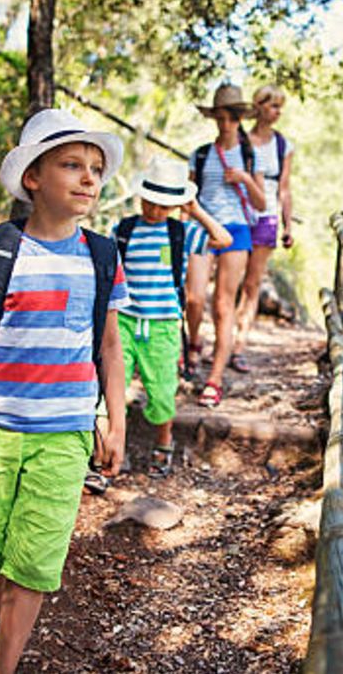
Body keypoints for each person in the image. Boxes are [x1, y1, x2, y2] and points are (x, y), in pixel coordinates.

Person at [0, 109, 129, 674]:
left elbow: (111, 346)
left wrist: (114, 420)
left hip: (65, 433)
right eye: (72, 165)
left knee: (34, 563)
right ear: (33, 178)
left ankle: (3, 665)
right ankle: (2, 621)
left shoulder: (101, 256)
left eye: (95, 168)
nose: (88, 178)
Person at [112, 158, 232, 475]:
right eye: (151, 203)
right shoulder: (123, 230)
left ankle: (163, 443)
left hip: (163, 324)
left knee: (162, 388)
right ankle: (112, 447)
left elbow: (223, 240)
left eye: (165, 206)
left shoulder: (181, 232)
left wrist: (196, 211)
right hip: (123, 320)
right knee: (113, 385)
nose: (156, 211)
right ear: (141, 197)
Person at [184, 83, 266, 407]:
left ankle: (214, 378)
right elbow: (187, 196)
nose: (225, 123)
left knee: (223, 305)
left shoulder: (249, 155)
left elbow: (261, 203)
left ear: (239, 118)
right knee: (193, 298)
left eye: (231, 117)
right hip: (202, 228)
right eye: (220, 117)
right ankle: (193, 343)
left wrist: (244, 178)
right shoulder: (201, 154)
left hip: (237, 230)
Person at [232, 84, 294, 372]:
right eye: (272, 106)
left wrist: (287, 225)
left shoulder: (283, 146)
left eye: (280, 107)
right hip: (237, 212)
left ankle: (239, 344)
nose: (276, 112)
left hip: (267, 216)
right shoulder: (239, 139)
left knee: (253, 283)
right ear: (258, 107)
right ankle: (224, 339)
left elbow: (284, 188)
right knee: (229, 281)